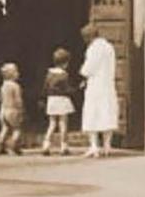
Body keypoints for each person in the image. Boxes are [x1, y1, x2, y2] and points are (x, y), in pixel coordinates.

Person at [79, 22, 118, 157]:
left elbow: (89, 68)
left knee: (92, 115)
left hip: (95, 86)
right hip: (107, 84)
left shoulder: (93, 49)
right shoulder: (109, 47)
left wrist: (82, 72)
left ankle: (94, 146)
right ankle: (107, 146)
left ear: (89, 37)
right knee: (107, 114)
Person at [40, 48, 74, 156]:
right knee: (63, 123)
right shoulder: (64, 75)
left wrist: (43, 98)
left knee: (52, 123)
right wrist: (75, 90)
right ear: (65, 63)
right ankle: (64, 147)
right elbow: (67, 89)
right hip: (62, 100)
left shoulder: (49, 74)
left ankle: (46, 145)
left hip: (52, 100)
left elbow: (45, 88)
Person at [0, 62, 24, 155]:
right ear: (12, 74)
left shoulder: (3, 85)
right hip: (13, 110)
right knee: (17, 129)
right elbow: (18, 99)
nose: (18, 73)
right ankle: (14, 147)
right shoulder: (15, 86)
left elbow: (0, 98)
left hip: (3, 110)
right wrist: (21, 109)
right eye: (16, 72)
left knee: (4, 128)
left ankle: (1, 145)